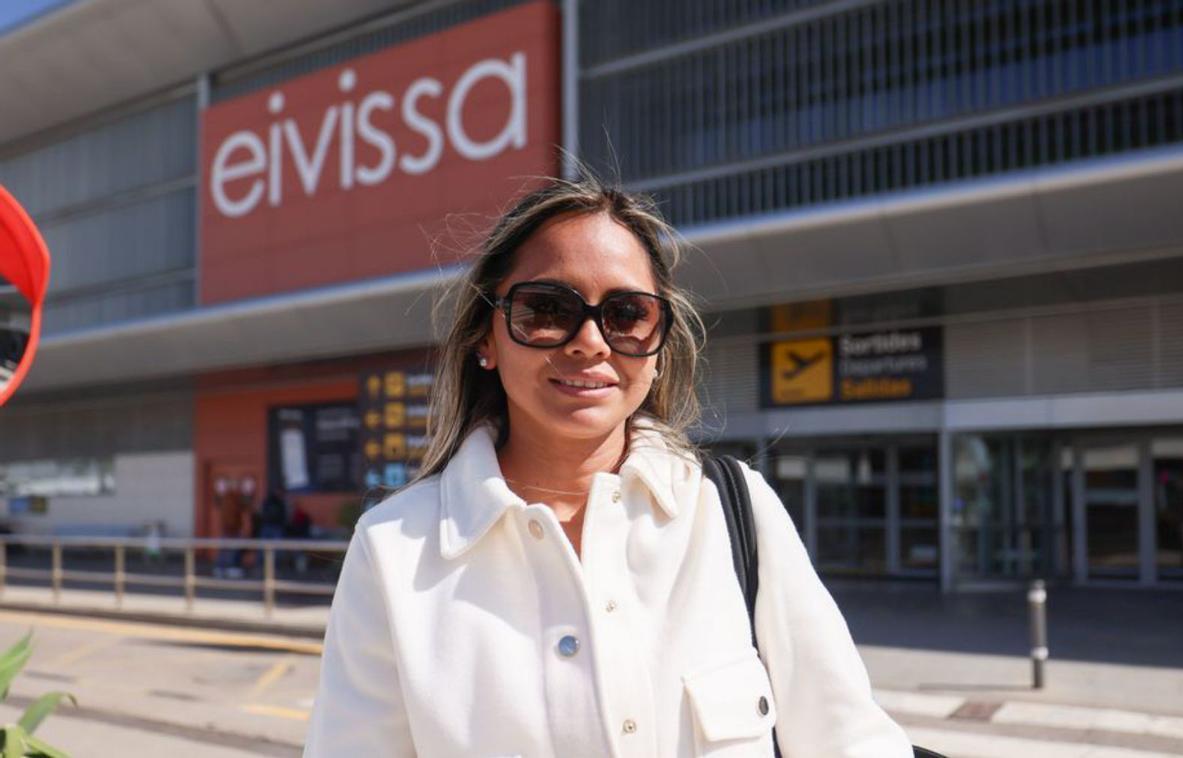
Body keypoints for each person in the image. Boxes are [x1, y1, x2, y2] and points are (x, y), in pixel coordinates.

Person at [304, 176, 912, 756]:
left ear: (657, 348)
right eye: (546, 308)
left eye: (626, 314)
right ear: (484, 339)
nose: (590, 341)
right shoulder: (393, 551)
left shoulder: (733, 511)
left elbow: (851, 743)